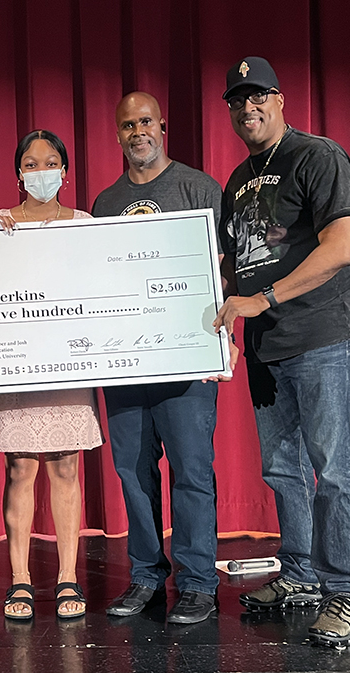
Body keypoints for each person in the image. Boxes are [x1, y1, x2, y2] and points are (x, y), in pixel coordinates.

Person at [214, 56, 350, 648]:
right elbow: (231, 266)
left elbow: (342, 247)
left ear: (279, 99)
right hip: (266, 347)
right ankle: (301, 575)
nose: (247, 107)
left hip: (322, 335)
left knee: (331, 469)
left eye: (257, 96)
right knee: (282, 469)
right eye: (237, 100)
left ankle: (346, 591)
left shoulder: (318, 156)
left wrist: (267, 297)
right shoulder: (237, 181)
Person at [91, 92, 232, 625]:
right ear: (119, 133)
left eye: (145, 122)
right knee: (132, 471)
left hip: (187, 360)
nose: (137, 132)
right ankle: (147, 577)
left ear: (163, 126)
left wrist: (220, 338)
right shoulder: (106, 203)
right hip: (126, 363)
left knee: (192, 471)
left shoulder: (199, 188)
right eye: (127, 125)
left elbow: (226, 269)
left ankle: (198, 583)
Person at [0, 130, 103, 620]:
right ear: (18, 174)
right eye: (30, 164)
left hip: (67, 362)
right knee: (20, 467)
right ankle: (20, 579)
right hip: (17, 364)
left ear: (65, 173)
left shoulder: (84, 224)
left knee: (66, 465)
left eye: (50, 162)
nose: (40, 171)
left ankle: (68, 575)